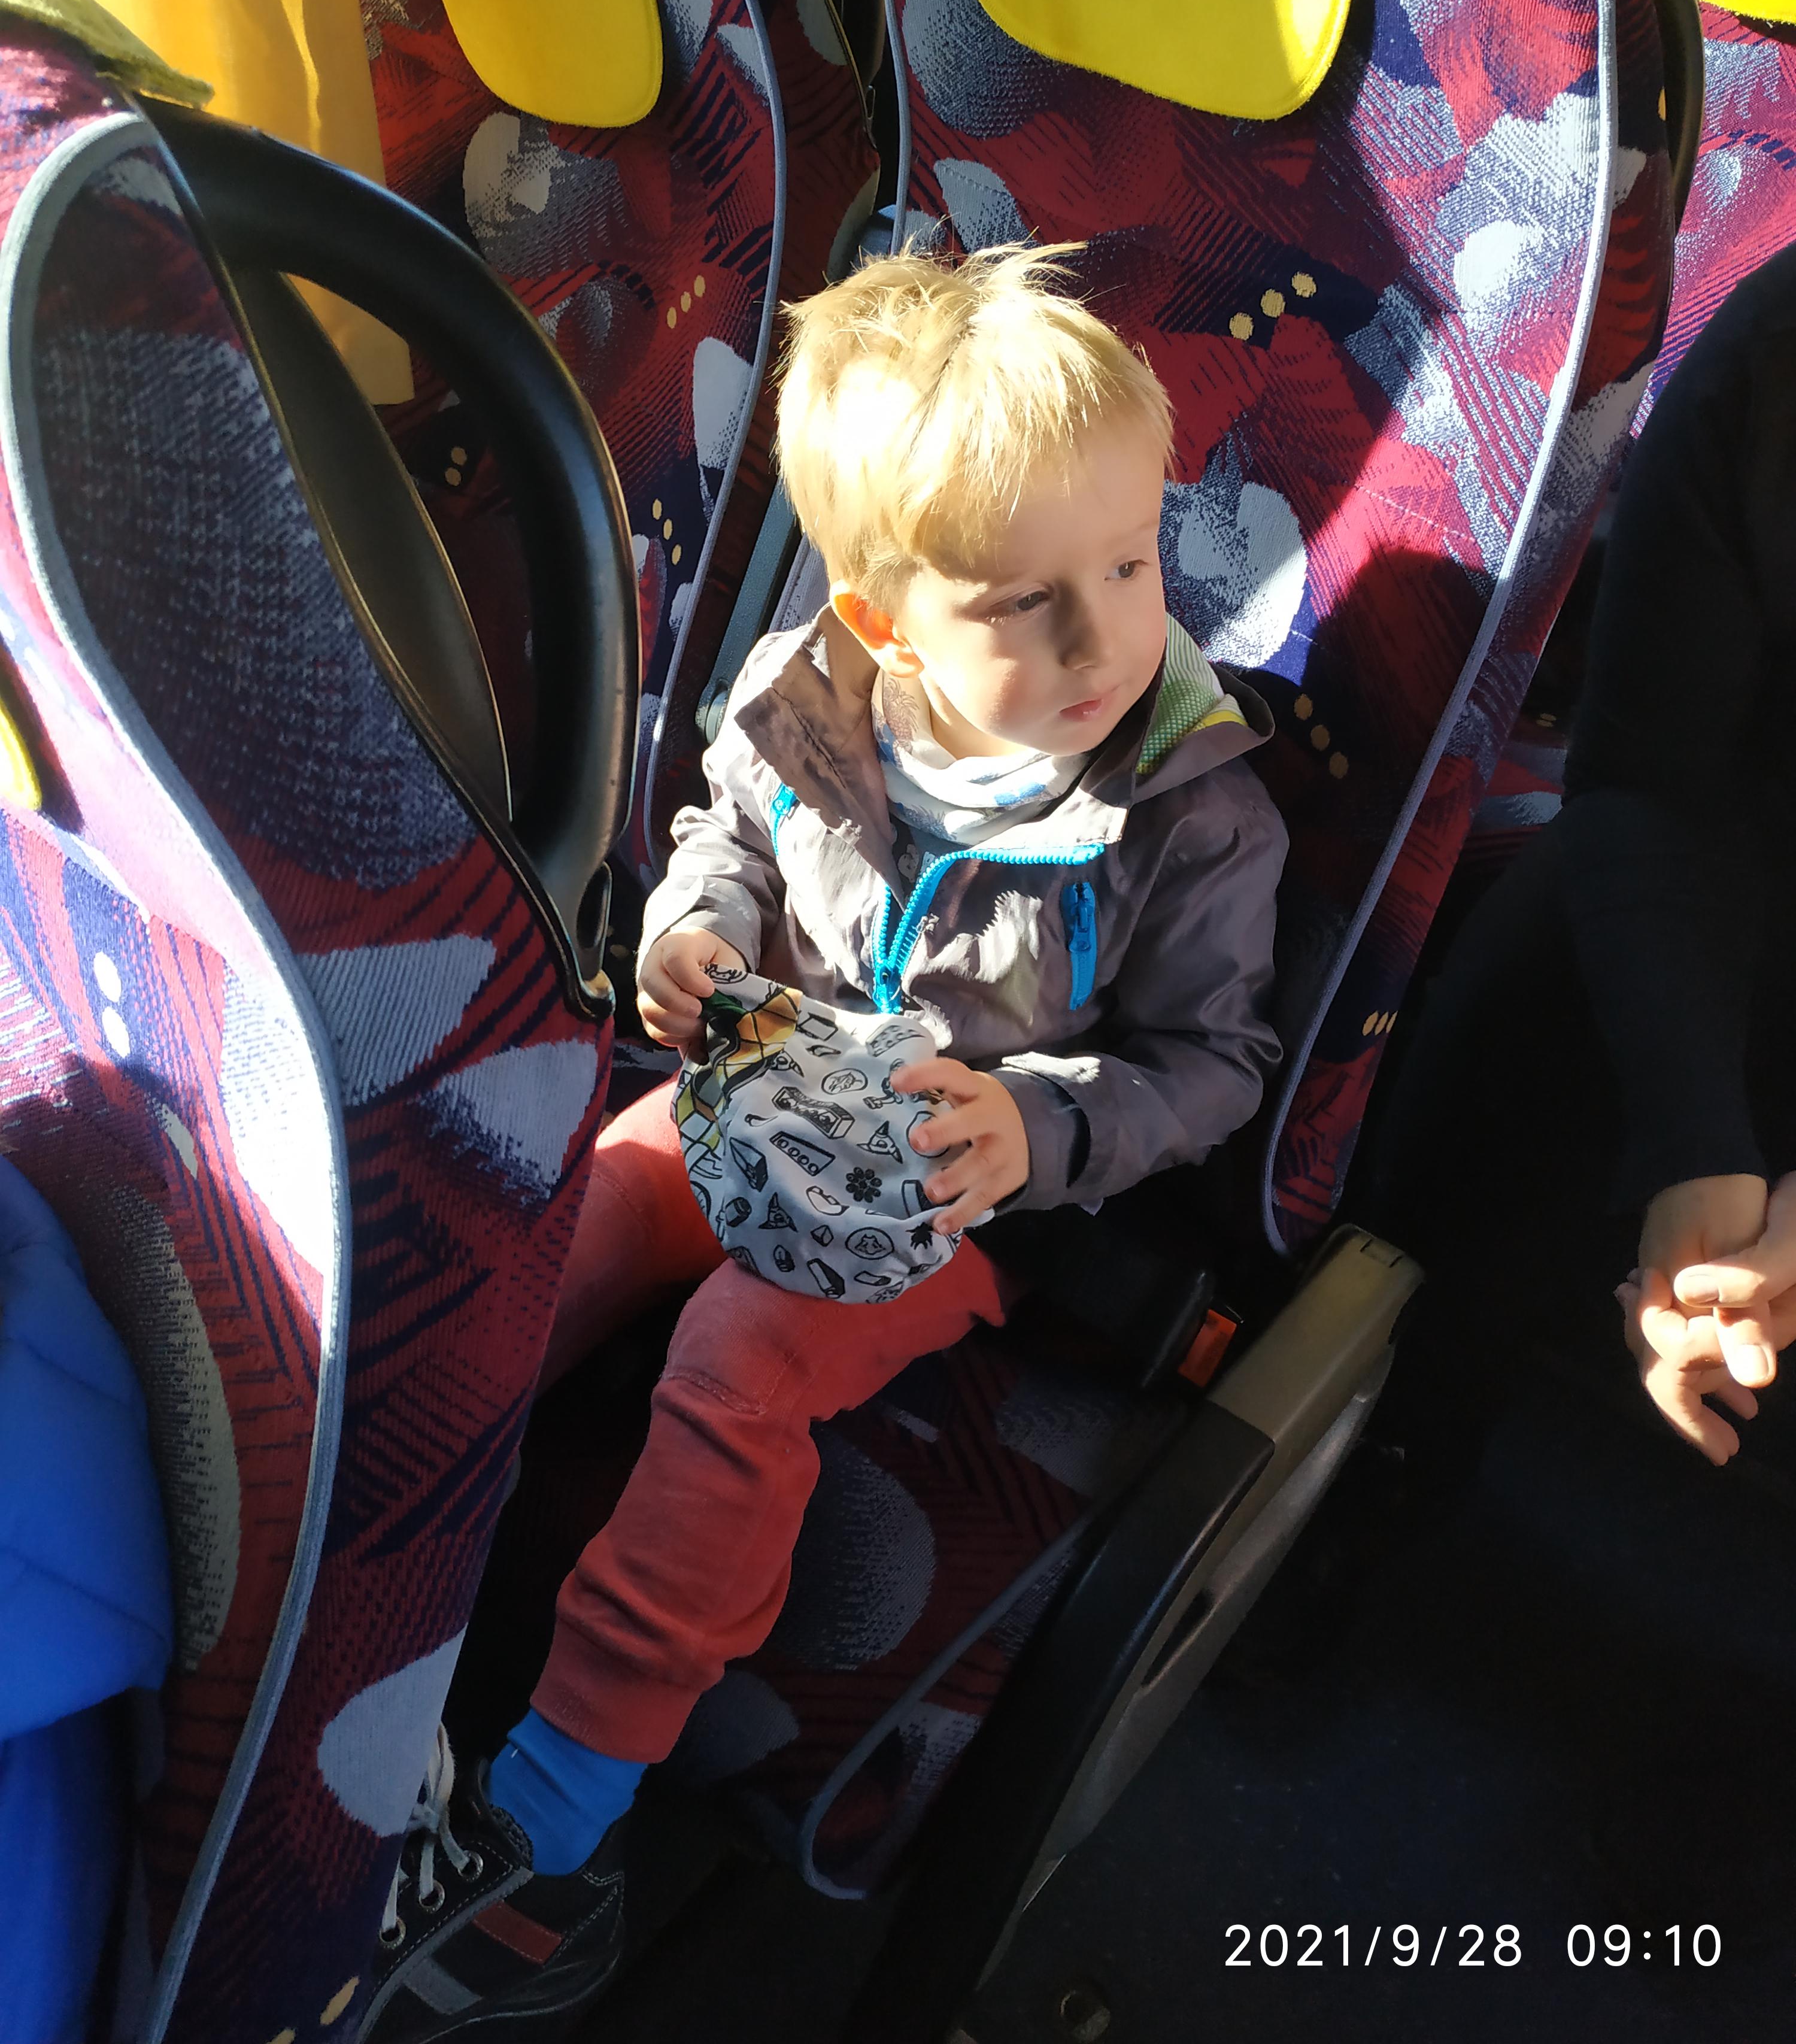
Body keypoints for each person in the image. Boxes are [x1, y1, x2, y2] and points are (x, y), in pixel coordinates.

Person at [364, 244, 1287, 2039]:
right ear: (888, 622)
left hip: (944, 1192)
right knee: (559, 1232)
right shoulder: (812, 692)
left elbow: (1214, 1062)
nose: (1103, 640)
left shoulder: (1189, 817)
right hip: (755, 1084)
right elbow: (726, 831)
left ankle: (558, 1813)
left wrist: (1035, 1124)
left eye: (1130, 565)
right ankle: (369, 1592)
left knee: (741, 1353)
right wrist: (694, 931)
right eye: (1026, 602)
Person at [1361, 240, 1796, 1480]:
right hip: (1708, 874)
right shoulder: (1777, 354)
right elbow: (1651, 771)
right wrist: (1695, 1139)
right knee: (1485, 1098)